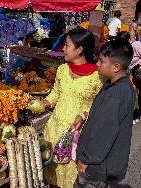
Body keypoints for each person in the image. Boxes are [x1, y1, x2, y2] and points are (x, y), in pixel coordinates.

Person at [43, 28, 103, 188]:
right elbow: (55, 95)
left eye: (67, 45)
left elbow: (102, 108)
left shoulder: (98, 76)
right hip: (54, 131)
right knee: (52, 179)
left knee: (72, 179)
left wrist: (84, 115)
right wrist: (42, 104)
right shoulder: (62, 70)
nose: (63, 48)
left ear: (79, 49)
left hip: (77, 137)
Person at [73, 38, 135, 188]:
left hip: (98, 167)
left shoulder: (116, 94)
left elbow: (104, 132)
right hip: (103, 164)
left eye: (101, 61)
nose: (97, 64)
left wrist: (87, 159)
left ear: (116, 67)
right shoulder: (118, 86)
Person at [117, 32, 141, 122]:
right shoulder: (125, 47)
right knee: (130, 93)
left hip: (136, 72)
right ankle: (132, 114)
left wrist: (139, 67)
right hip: (128, 72)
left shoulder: (136, 45)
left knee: (134, 93)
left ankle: (135, 114)